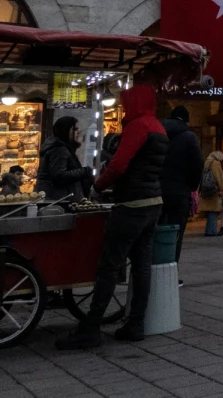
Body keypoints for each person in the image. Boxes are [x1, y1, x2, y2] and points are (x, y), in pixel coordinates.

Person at [56, 84, 169, 349]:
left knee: (109, 264)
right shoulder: (159, 128)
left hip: (131, 203)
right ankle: (136, 324)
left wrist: (97, 187)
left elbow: (119, 164)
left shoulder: (138, 127)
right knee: (142, 267)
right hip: (153, 202)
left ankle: (91, 326)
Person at [160, 105, 202, 263]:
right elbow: (197, 164)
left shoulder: (159, 132)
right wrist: (191, 186)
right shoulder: (189, 137)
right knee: (176, 233)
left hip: (156, 190)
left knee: (154, 232)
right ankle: (171, 270)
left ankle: (153, 269)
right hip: (179, 192)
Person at [36, 116, 90, 203]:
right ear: (66, 131)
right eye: (75, 129)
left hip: (60, 199)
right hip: (58, 200)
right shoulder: (59, 149)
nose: (78, 132)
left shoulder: (63, 148)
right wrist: (84, 171)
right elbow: (59, 175)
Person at [200, 150, 223, 236]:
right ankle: (212, 231)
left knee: (209, 211)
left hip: (206, 189)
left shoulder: (206, 162)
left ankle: (208, 230)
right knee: (214, 210)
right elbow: (219, 177)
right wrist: (222, 188)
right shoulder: (215, 163)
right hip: (213, 189)